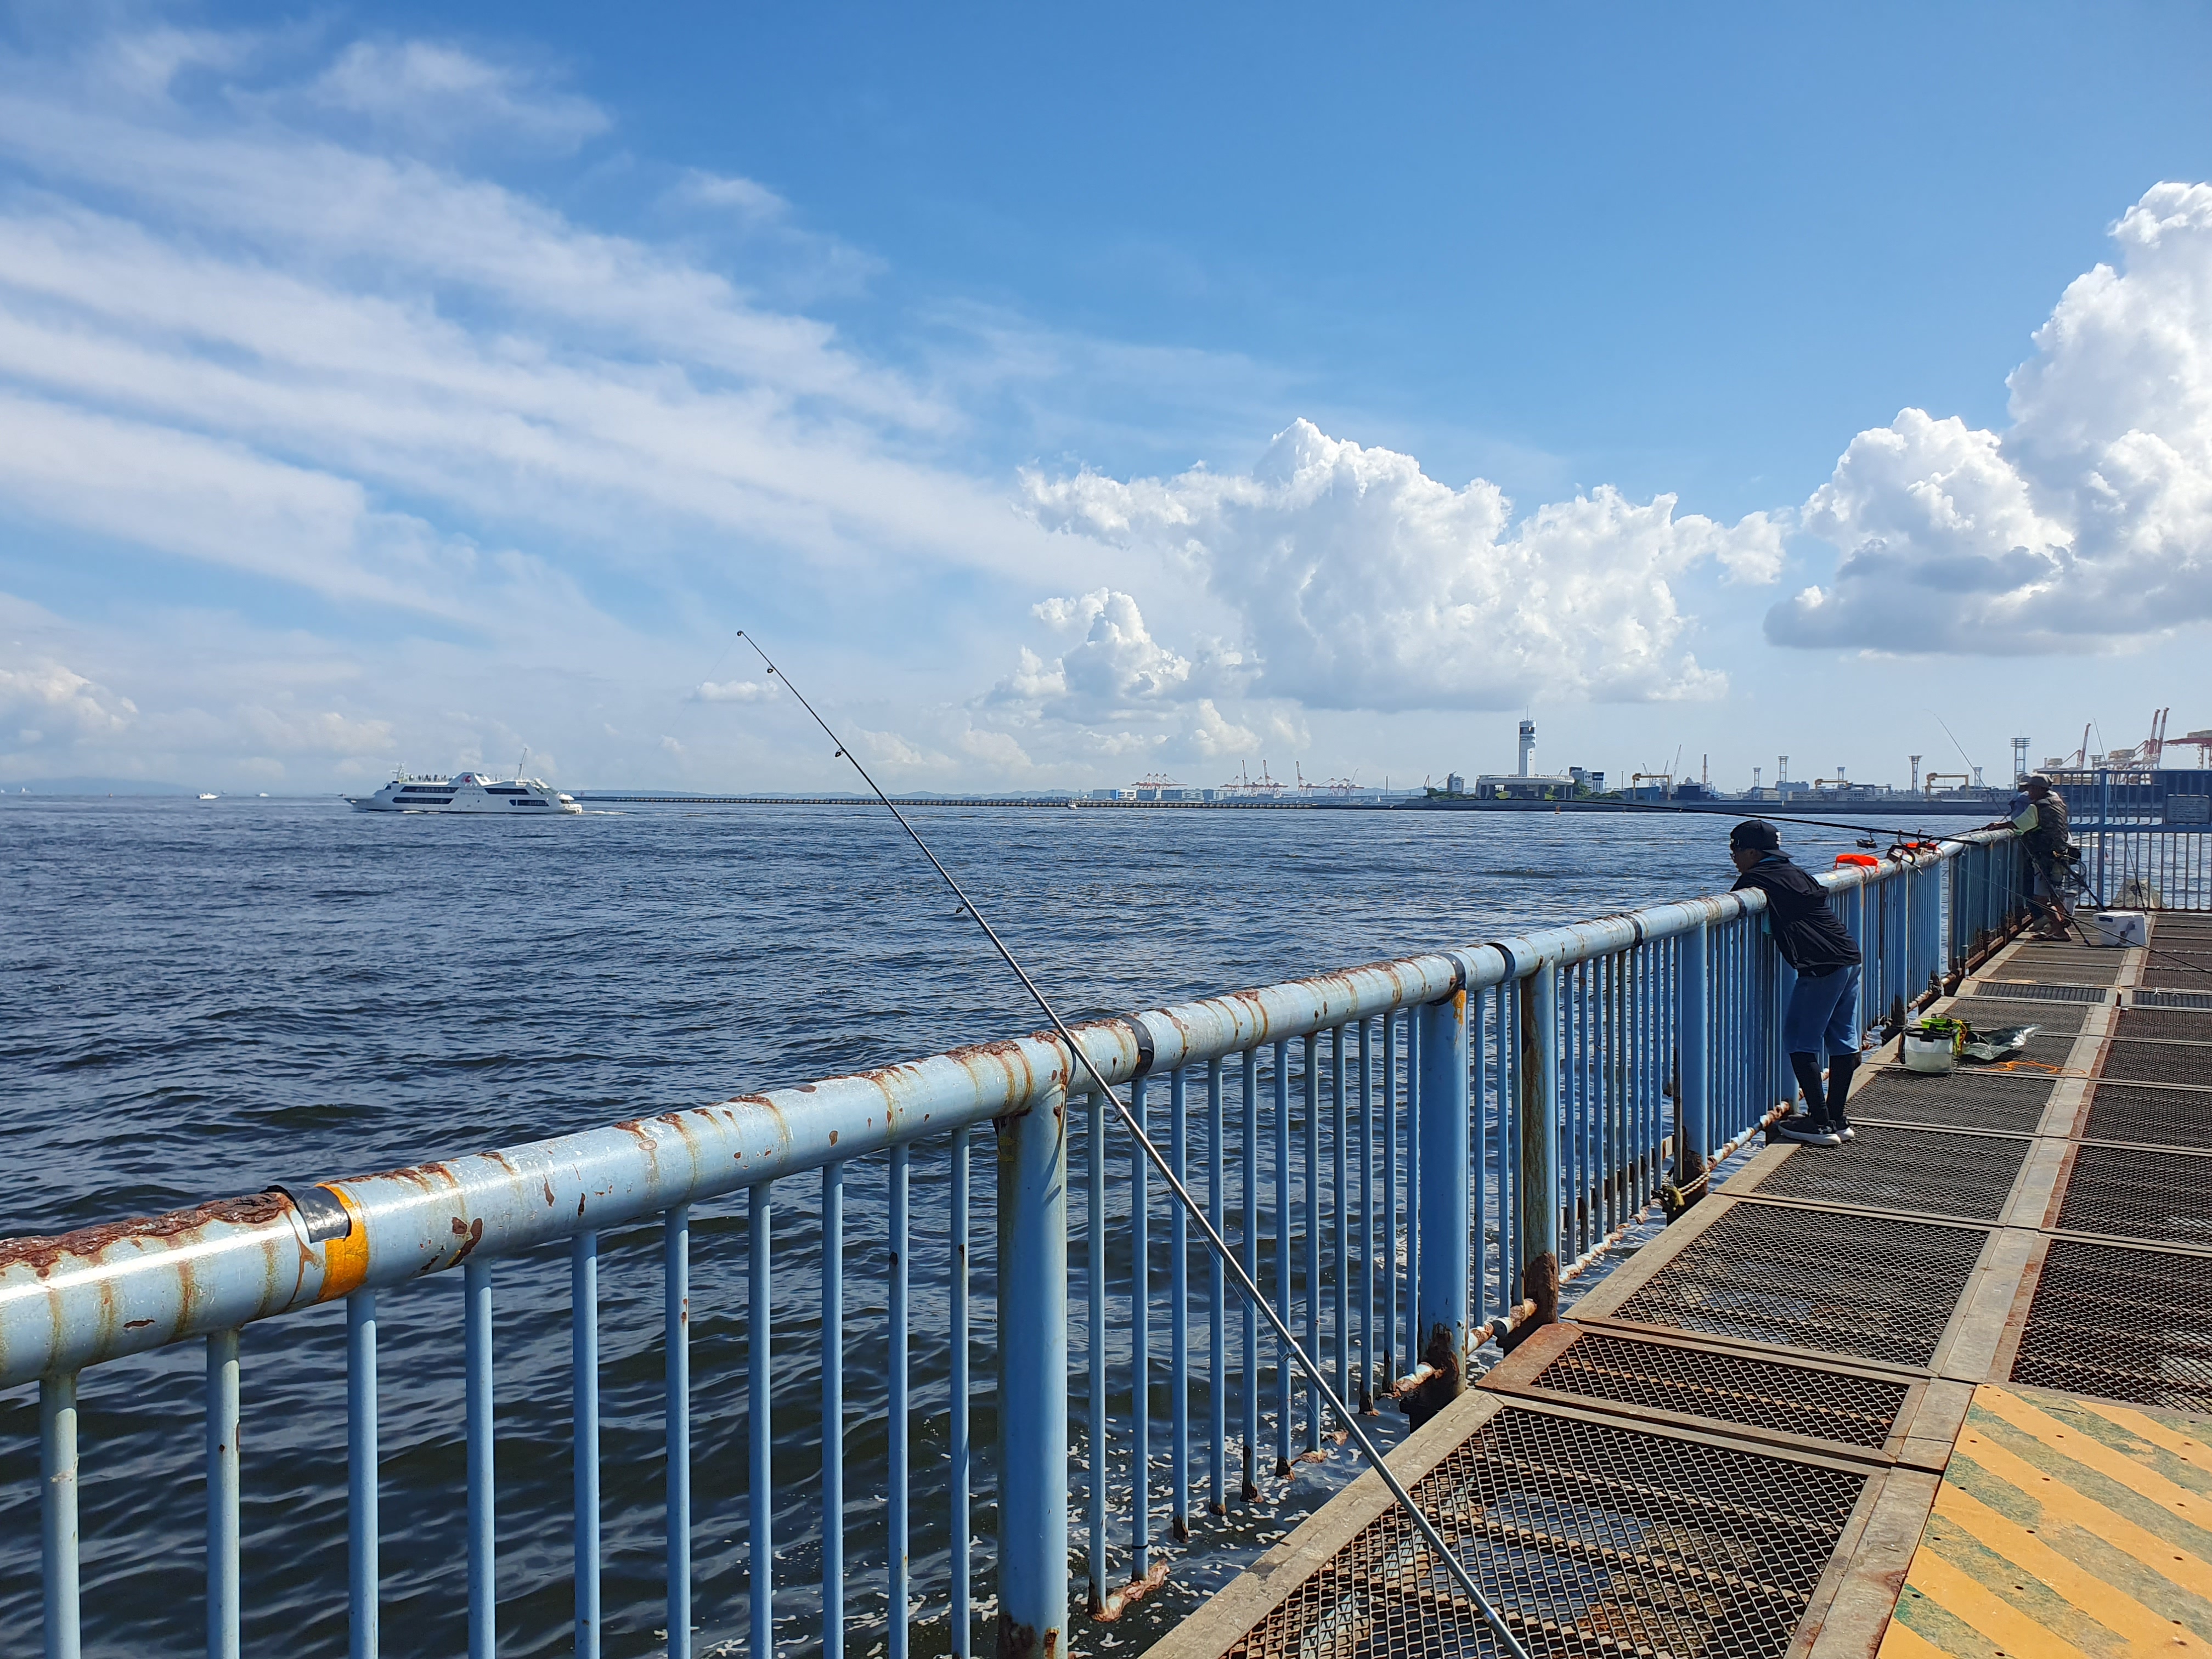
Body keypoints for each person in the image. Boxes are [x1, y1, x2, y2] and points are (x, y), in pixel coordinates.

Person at [1729, 819, 1864, 1148]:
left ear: (1752, 853)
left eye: (1735, 852)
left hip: (1820, 964)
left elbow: (1734, 906)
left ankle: (1819, 1123)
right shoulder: (1796, 872)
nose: (1734, 859)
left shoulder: (1756, 877)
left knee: (1800, 1039)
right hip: (1848, 956)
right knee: (1842, 1038)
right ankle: (1838, 1119)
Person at [1987, 775, 2074, 939]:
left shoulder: (2037, 807)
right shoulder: (2059, 803)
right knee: (2055, 894)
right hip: (2061, 854)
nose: (2029, 792)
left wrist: (1998, 826)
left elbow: (2019, 824)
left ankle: (2061, 930)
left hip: (2045, 856)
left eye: (2031, 789)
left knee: (2040, 898)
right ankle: (2057, 928)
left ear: (2039, 789)